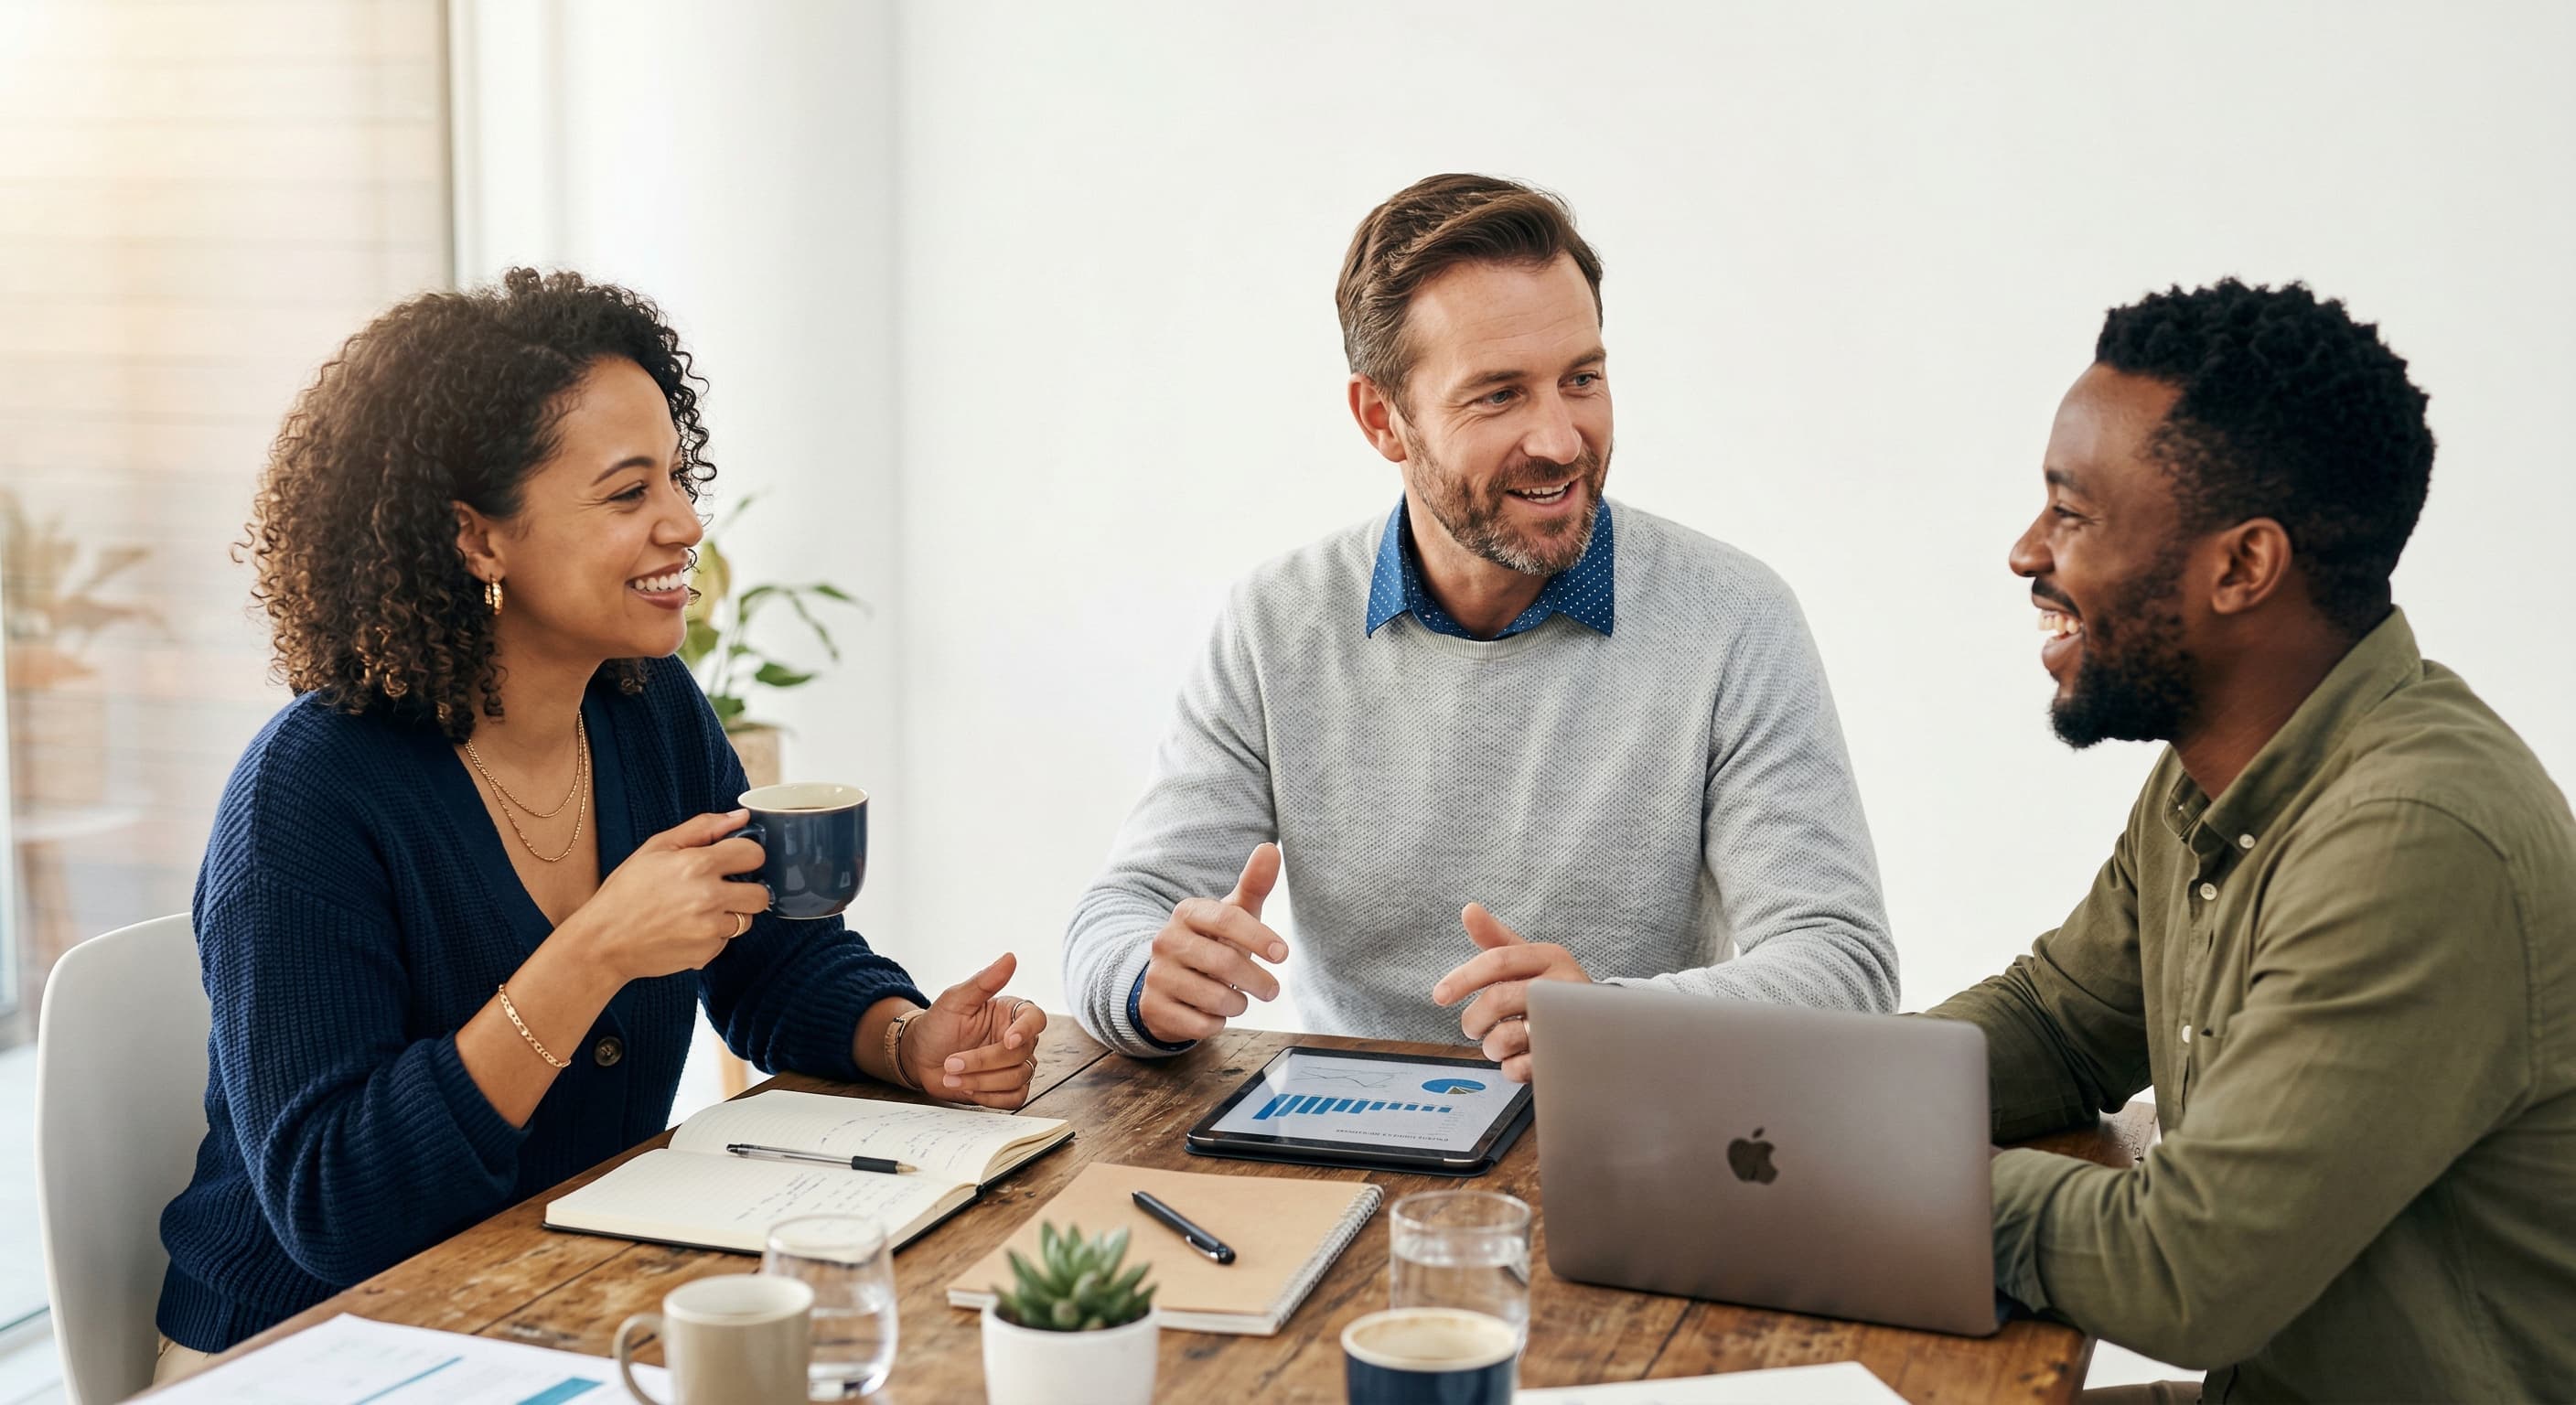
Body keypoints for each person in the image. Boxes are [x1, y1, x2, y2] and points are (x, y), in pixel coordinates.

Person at [152, 271, 1047, 1375]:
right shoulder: (309, 796)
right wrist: (593, 952)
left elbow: (769, 963)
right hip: (312, 1350)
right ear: (478, 541)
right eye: (628, 494)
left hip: (550, 1296)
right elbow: (338, 1209)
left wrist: (909, 1042)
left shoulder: (643, 708)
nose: (684, 522)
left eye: (677, 476)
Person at [1065, 174, 1897, 1074]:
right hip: (1339, 1139)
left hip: (1620, 1138)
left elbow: (1841, 962)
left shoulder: (1732, 620)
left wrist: (1612, 1025)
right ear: (1381, 418)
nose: (1559, 439)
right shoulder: (1276, 623)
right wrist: (1146, 980)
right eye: (1498, 396)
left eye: (1580, 379)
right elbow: (1124, 911)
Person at [1924, 279, 2575, 1401]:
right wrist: (1790, 1103)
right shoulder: (2214, 776)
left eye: (2069, 514)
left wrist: (1860, 1175)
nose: (2026, 552)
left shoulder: (2412, 841)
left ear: (2240, 568)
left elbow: (2185, 1271)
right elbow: (2060, 1024)